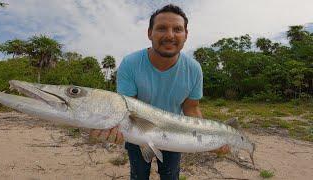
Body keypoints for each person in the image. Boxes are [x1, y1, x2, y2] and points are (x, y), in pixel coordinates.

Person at [90, 4, 229, 180]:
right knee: (139, 175)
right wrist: (110, 128)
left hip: (174, 133)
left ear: (186, 35)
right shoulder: (130, 64)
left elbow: (191, 109)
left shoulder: (194, 69)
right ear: (150, 33)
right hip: (137, 133)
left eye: (177, 29)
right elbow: (126, 110)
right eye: (162, 28)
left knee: (171, 176)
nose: (170, 35)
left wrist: (211, 140)